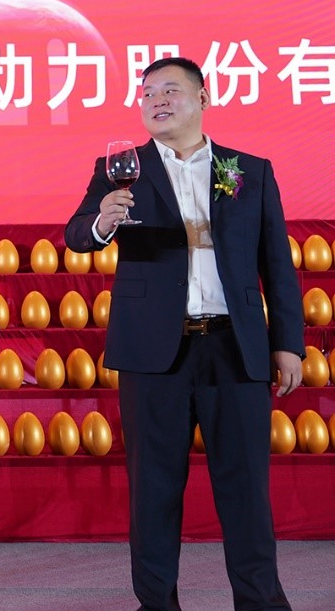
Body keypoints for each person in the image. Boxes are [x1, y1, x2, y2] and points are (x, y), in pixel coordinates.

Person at [65, 56, 303, 611]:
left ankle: (261, 602)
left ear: (203, 97)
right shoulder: (120, 168)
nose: (157, 101)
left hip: (234, 347)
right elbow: (77, 235)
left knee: (246, 491)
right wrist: (103, 221)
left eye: (170, 90)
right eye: (148, 93)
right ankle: (156, 603)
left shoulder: (249, 170)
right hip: (153, 354)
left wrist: (287, 344)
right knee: (153, 490)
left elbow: (276, 263)